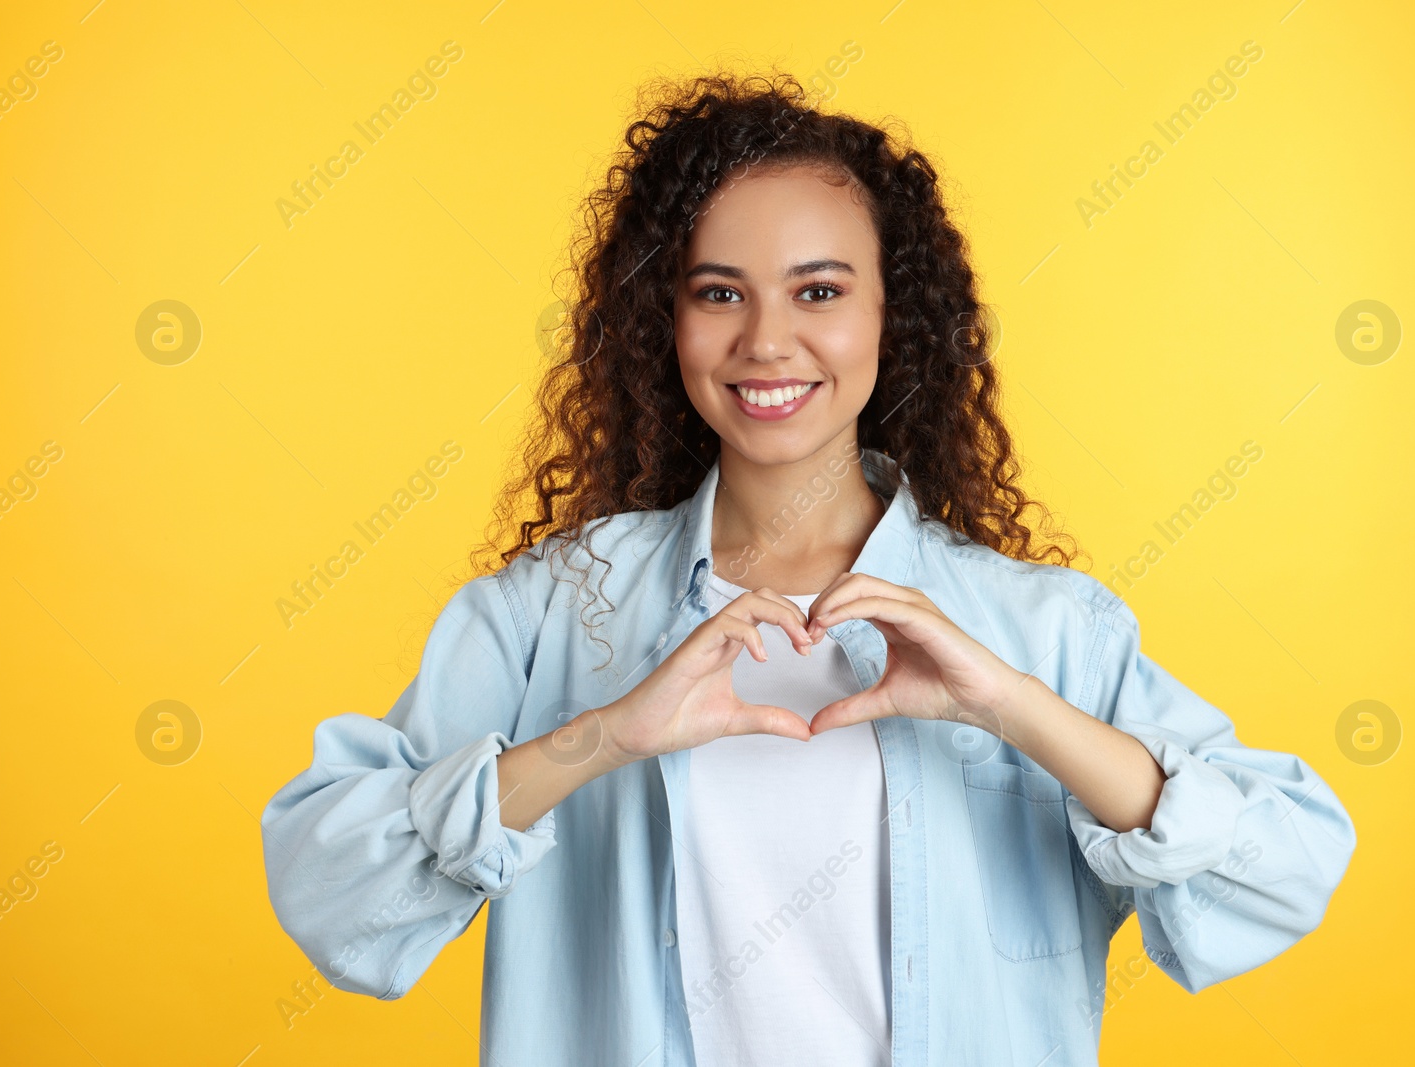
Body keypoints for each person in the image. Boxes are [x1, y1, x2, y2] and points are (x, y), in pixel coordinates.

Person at [260, 71, 1356, 1067]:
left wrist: (1013, 707)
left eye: (819, 291)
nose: (767, 343)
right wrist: (602, 735)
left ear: (895, 317)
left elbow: (1281, 870)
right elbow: (326, 887)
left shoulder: (1044, 629)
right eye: (719, 292)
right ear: (664, 321)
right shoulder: (552, 613)